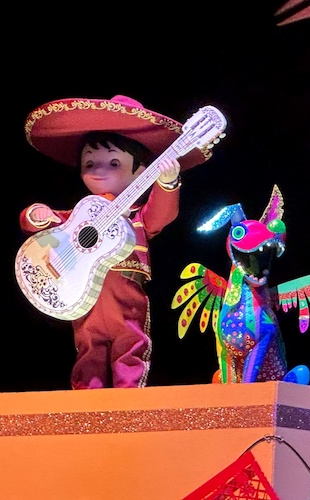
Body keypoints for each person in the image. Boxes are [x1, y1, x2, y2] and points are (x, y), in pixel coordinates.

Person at [18, 95, 213, 389]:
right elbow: (42, 223)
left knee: (130, 343)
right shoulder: (82, 213)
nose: (99, 170)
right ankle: (87, 401)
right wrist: (37, 215)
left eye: (113, 162)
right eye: (90, 162)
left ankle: (128, 401)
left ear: (142, 171)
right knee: (88, 345)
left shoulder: (135, 216)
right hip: (84, 293)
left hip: (126, 292)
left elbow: (161, 216)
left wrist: (167, 183)